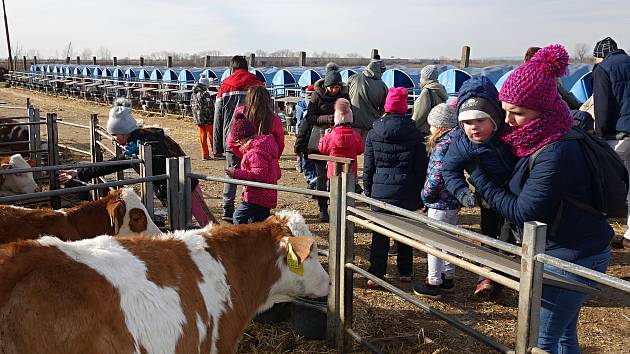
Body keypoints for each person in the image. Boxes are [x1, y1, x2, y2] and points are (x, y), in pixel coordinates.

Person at [468, 44, 613, 353]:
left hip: (570, 256)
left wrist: (479, 178)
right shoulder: (544, 138)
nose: (507, 120)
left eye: (517, 112)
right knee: (562, 335)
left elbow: (524, 211)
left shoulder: (556, 152)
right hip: (574, 247)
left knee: (539, 339)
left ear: (544, 110)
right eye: (504, 109)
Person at [58, 98, 217, 226]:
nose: (114, 139)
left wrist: (137, 156)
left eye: (115, 134)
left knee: (206, 223)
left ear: (125, 132)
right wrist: (78, 172)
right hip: (172, 192)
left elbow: (162, 164)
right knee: (181, 226)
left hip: (186, 188)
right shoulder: (134, 145)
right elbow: (111, 164)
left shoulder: (148, 141)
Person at [441, 75, 517, 297]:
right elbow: (449, 169)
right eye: (466, 122)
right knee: (489, 234)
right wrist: (462, 191)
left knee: (509, 236)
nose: (473, 128)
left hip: (516, 194)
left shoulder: (510, 134)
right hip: (487, 196)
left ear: (494, 119)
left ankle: (502, 277)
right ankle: (486, 278)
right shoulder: (462, 143)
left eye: (479, 121)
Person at [364, 87, 428, 287]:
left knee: (379, 233)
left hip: (380, 188)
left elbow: (369, 166)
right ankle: (405, 271)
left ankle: (376, 271)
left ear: (386, 106)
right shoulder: (415, 133)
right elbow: (420, 166)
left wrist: (368, 190)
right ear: (405, 108)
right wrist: (421, 191)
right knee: (405, 232)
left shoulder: (374, 132)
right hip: (407, 187)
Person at [413, 103, 460, 298]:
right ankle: (448, 276)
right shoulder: (456, 142)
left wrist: (425, 195)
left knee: (433, 242)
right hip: (452, 201)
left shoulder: (442, 146)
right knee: (448, 239)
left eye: (432, 124)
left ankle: (433, 281)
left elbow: (435, 175)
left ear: (440, 125)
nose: (430, 128)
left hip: (439, 201)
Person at [295, 62, 350, 222]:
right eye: (332, 87)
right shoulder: (317, 95)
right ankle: (322, 208)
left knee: (338, 175)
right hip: (319, 139)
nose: (334, 90)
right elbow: (310, 117)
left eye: (337, 87)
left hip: (338, 140)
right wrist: (327, 119)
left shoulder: (344, 96)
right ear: (326, 86)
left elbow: (350, 114)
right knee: (321, 176)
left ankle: (338, 207)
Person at [214, 55, 264, 222]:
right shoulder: (258, 84)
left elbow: (218, 116)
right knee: (254, 172)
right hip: (255, 138)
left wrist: (217, 145)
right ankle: (250, 207)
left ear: (232, 68)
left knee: (232, 172)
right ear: (247, 68)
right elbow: (268, 113)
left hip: (232, 138)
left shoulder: (225, 86)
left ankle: (228, 207)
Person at [592, 36, 630, 243]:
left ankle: (600, 232)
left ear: (600, 55)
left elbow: (602, 106)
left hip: (617, 136)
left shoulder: (603, 69)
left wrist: (599, 136)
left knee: (602, 183)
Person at [225, 113, 279, 225]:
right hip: (265, 195)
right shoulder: (262, 148)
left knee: (238, 216)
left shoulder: (255, 153)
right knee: (258, 223)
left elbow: (258, 175)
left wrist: (236, 173)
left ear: (244, 140)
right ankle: (258, 241)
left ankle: (243, 240)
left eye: (239, 142)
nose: (238, 146)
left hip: (258, 196)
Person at [227, 85, 285, 186]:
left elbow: (231, 141)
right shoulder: (274, 119)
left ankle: (228, 201)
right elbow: (280, 144)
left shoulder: (240, 113)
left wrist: (245, 153)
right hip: (267, 161)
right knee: (266, 187)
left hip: (245, 156)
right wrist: (271, 156)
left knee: (242, 184)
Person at [318, 98, 364, 189]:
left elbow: (322, 149)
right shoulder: (356, 135)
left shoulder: (330, 135)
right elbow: (360, 150)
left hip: (333, 170)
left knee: (334, 192)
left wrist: (323, 137)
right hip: (351, 169)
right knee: (349, 191)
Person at [348, 58, 388, 140]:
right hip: (370, 126)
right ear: (380, 71)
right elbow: (384, 109)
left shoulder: (353, 78)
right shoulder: (382, 86)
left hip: (352, 123)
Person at [411, 65, 448, 136]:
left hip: (425, 132)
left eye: (421, 77)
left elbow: (419, 116)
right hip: (436, 131)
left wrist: (411, 127)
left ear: (425, 78)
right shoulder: (439, 90)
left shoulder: (426, 92)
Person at [295, 85, 317, 190]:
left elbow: (300, 126)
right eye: (308, 94)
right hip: (309, 139)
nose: (309, 96)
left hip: (308, 139)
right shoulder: (300, 106)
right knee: (309, 163)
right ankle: (312, 182)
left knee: (308, 164)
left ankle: (312, 182)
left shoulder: (303, 107)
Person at [190, 75, 215, 160]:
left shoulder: (194, 93)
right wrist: (213, 115)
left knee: (202, 136)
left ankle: (205, 154)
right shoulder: (205, 93)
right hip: (207, 118)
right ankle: (216, 152)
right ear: (205, 85)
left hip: (198, 118)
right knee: (211, 135)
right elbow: (209, 106)